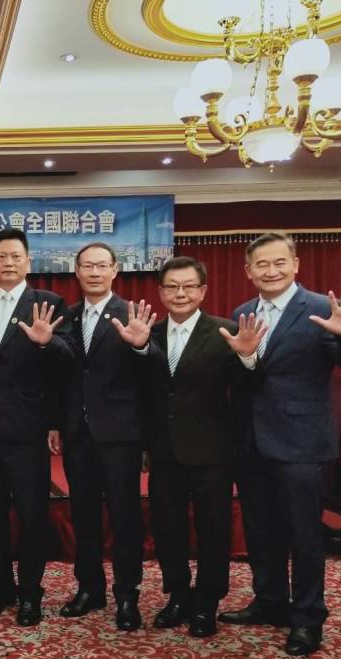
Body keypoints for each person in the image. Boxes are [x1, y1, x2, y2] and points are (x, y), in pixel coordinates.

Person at [220, 232, 341, 656]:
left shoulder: (322, 308)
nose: (271, 271)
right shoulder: (242, 313)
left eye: (279, 262)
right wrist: (246, 358)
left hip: (301, 442)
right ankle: (270, 601)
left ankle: (307, 617)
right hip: (251, 440)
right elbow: (245, 379)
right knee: (260, 529)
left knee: (303, 535)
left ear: (295, 265)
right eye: (261, 264)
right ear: (248, 271)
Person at [141, 256, 265, 638]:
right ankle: (178, 596)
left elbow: (248, 388)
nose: (180, 293)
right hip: (164, 451)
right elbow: (141, 392)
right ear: (161, 292)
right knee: (168, 528)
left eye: (188, 286)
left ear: (203, 290)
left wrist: (247, 356)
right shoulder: (147, 333)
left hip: (212, 451)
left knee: (213, 531)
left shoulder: (226, 331)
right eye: (172, 286)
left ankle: (207, 603)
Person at [0, 228, 72, 627]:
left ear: (28, 261)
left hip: (29, 429)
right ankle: (0, 589)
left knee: (32, 515)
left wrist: (46, 342)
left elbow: (66, 364)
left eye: (15, 256)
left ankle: (30, 592)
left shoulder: (49, 303)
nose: (8, 263)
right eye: (1, 257)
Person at [53, 242, 149, 632]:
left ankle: (127, 594)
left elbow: (150, 373)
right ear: (76, 272)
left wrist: (142, 346)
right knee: (84, 515)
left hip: (120, 435)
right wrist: (56, 424)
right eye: (87, 266)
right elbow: (60, 377)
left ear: (114, 271)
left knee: (125, 517)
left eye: (101, 265)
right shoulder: (67, 316)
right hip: (78, 433)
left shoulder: (133, 314)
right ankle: (89, 588)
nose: (94, 272)